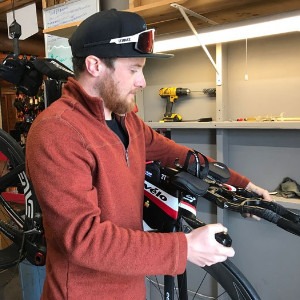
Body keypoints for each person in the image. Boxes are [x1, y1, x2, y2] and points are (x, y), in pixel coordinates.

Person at [26, 9, 271, 300]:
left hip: (129, 286)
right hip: (83, 292)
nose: (142, 82)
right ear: (94, 65)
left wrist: (240, 185)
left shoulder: (126, 121)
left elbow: (177, 155)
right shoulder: (58, 131)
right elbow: (83, 240)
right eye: (134, 69)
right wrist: (185, 248)